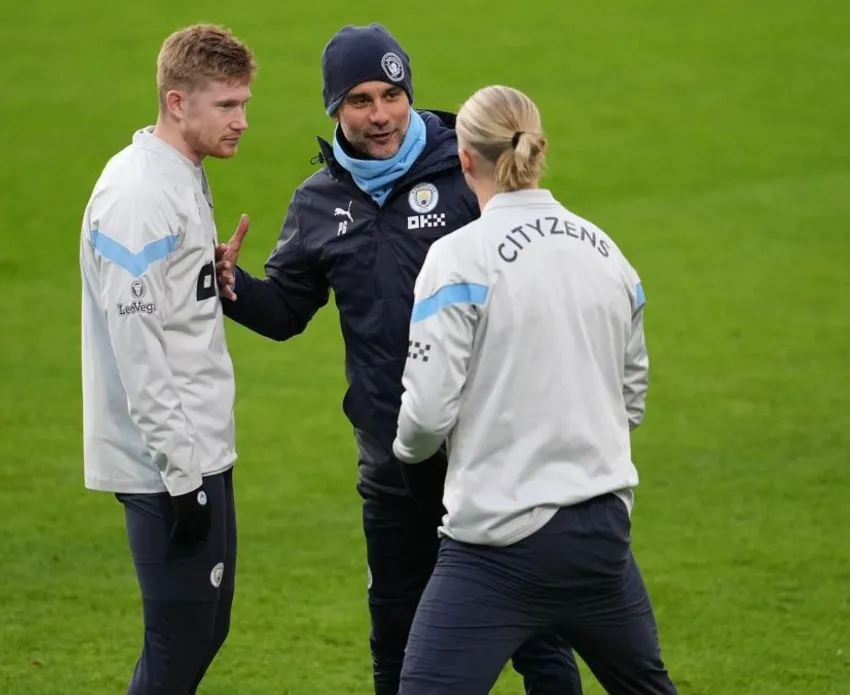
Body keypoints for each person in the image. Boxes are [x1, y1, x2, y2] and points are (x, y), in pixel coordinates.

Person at [214, 23, 581, 695]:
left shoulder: (469, 170)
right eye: (359, 99)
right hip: (392, 459)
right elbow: (288, 312)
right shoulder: (318, 203)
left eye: (391, 94)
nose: (379, 114)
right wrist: (231, 288)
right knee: (397, 636)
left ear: (410, 94)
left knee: (534, 635)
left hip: (490, 449)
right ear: (334, 109)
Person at [392, 84, 679, 695]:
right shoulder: (607, 253)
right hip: (602, 539)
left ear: (462, 159)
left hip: (498, 551)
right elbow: (632, 396)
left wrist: (406, 455)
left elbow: (426, 416)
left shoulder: (457, 258)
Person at [79, 24, 256, 695]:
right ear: (178, 102)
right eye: (227, 105)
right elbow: (138, 351)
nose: (242, 121)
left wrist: (204, 275)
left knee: (204, 631)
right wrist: (184, 478)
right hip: (167, 467)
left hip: (203, 449)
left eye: (244, 103)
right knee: (178, 646)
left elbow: (164, 306)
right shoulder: (138, 198)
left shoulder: (180, 173)